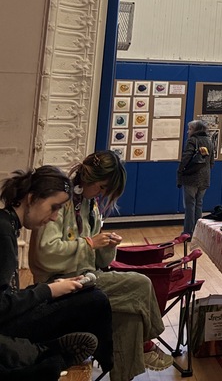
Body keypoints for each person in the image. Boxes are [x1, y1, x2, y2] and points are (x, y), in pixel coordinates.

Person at [29, 151, 172, 379]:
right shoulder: (61, 203)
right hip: (59, 285)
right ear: (89, 178)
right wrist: (89, 243)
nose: (102, 194)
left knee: (130, 316)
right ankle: (147, 344)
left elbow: (101, 261)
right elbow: (44, 255)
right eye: (102, 187)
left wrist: (106, 245)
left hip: (86, 277)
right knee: (141, 284)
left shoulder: (89, 204)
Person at [0, 165, 112, 378]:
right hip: (6, 324)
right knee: (94, 300)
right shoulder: (3, 232)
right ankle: (51, 352)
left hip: (9, 318)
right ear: (32, 198)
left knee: (88, 295)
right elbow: (2, 305)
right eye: (54, 207)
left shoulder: (7, 226)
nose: (54, 217)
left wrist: (53, 289)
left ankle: (50, 352)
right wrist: (48, 291)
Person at [177, 119, 214, 237]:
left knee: (189, 206)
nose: (188, 131)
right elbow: (212, 162)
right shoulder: (209, 141)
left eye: (190, 129)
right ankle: (199, 232)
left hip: (191, 177)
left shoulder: (192, 140)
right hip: (205, 178)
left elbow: (186, 158)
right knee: (199, 204)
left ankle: (188, 232)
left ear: (196, 130)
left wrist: (180, 171)